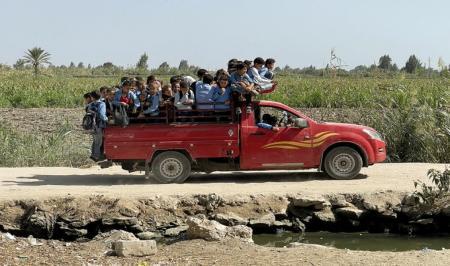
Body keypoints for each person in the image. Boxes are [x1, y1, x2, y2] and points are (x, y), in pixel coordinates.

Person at [88, 91, 108, 161]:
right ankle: (96, 156)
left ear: (93, 97)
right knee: (99, 141)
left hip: (92, 125)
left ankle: (93, 154)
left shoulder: (91, 104)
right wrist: (107, 119)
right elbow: (102, 115)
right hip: (99, 125)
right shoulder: (102, 104)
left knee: (95, 140)